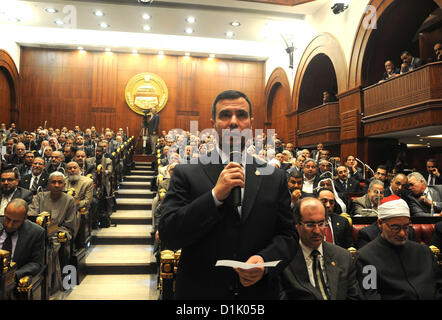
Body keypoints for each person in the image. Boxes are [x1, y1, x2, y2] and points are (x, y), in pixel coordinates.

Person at [159, 89, 298, 299]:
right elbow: (169, 234)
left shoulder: (274, 177)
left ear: (250, 123)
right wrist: (214, 196)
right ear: (213, 122)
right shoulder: (186, 172)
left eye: (241, 115)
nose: (233, 122)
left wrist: (264, 261)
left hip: (257, 295)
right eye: (225, 115)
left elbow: (288, 235)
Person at [355, 195, 442, 299]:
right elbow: (370, 296)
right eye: (395, 227)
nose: (402, 233)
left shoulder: (424, 251)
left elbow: (439, 286)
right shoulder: (365, 258)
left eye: (406, 227)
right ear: (380, 223)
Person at [279, 197, 361, 300]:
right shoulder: (284, 260)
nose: (317, 231)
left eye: (321, 224)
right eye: (310, 225)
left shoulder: (343, 256)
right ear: (296, 225)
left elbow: (354, 296)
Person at [0, 199, 45, 284]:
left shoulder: (36, 233)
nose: (9, 225)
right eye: (8, 219)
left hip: (13, 282)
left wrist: (14, 276)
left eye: (15, 221)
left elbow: (36, 263)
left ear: (25, 217)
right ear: (5, 212)